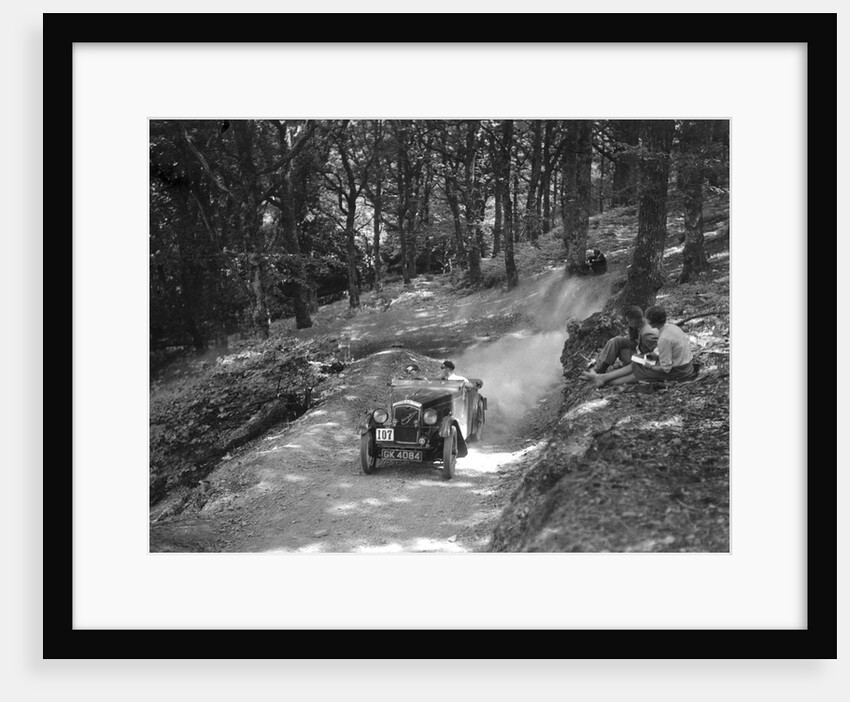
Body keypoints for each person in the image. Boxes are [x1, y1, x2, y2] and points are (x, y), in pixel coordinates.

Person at [580, 305, 696, 388]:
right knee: (638, 362)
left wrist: (650, 367)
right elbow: (666, 352)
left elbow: (666, 368)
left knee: (639, 372)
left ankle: (604, 380)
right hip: (683, 366)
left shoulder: (662, 338)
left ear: (651, 321)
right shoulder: (671, 327)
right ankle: (603, 377)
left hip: (679, 372)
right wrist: (650, 357)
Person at [587, 306, 658, 375]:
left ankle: (601, 368)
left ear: (634, 320)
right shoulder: (641, 325)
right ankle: (600, 365)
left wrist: (639, 359)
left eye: (628, 322)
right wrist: (632, 329)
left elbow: (658, 355)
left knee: (619, 351)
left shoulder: (648, 333)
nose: (628, 324)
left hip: (647, 361)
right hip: (640, 350)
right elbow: (633, 340)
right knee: (616, 341)